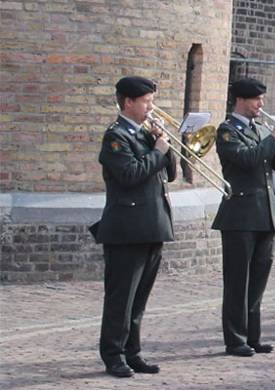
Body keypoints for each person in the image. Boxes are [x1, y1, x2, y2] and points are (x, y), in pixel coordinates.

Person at [92, 76, 176, 378]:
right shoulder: (115, 137)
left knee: (139, 300)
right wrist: (157, 150)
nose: (152, 107)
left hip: (152, 224)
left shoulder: (142, 134)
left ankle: (133, 351)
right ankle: (113, 355)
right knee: (121, 299)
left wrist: (164, 146)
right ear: (128, 102)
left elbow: (171, 174)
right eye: (147, 102)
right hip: (127, 229)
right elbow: (129, 175)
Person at [213, 77, 275, 357]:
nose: (261, 104)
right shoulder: (227, 131)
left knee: (259, 278)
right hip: (240, 213)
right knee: (238, 280)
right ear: (241, 101)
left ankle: (253, 335)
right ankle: (235, 339)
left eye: (262, 99)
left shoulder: (260, 130)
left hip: (265, 212)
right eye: (256, 99)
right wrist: (273, 138)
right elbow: (246, 160)